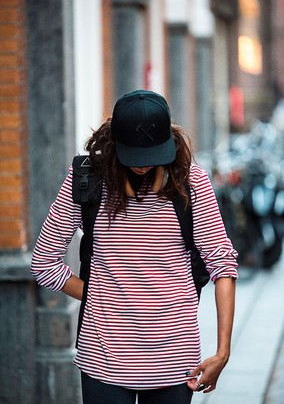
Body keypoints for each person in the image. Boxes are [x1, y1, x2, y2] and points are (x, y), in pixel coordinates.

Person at [31, 89, 238, 404]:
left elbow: (222, 264)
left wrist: (223, 352)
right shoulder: (87, 180)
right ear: (114, 145)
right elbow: (44, 263)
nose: (143, 167)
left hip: (174, 362)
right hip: (103, 361)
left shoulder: (190, 182)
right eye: (134, 158)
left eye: (152, 157)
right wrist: (101, 294)